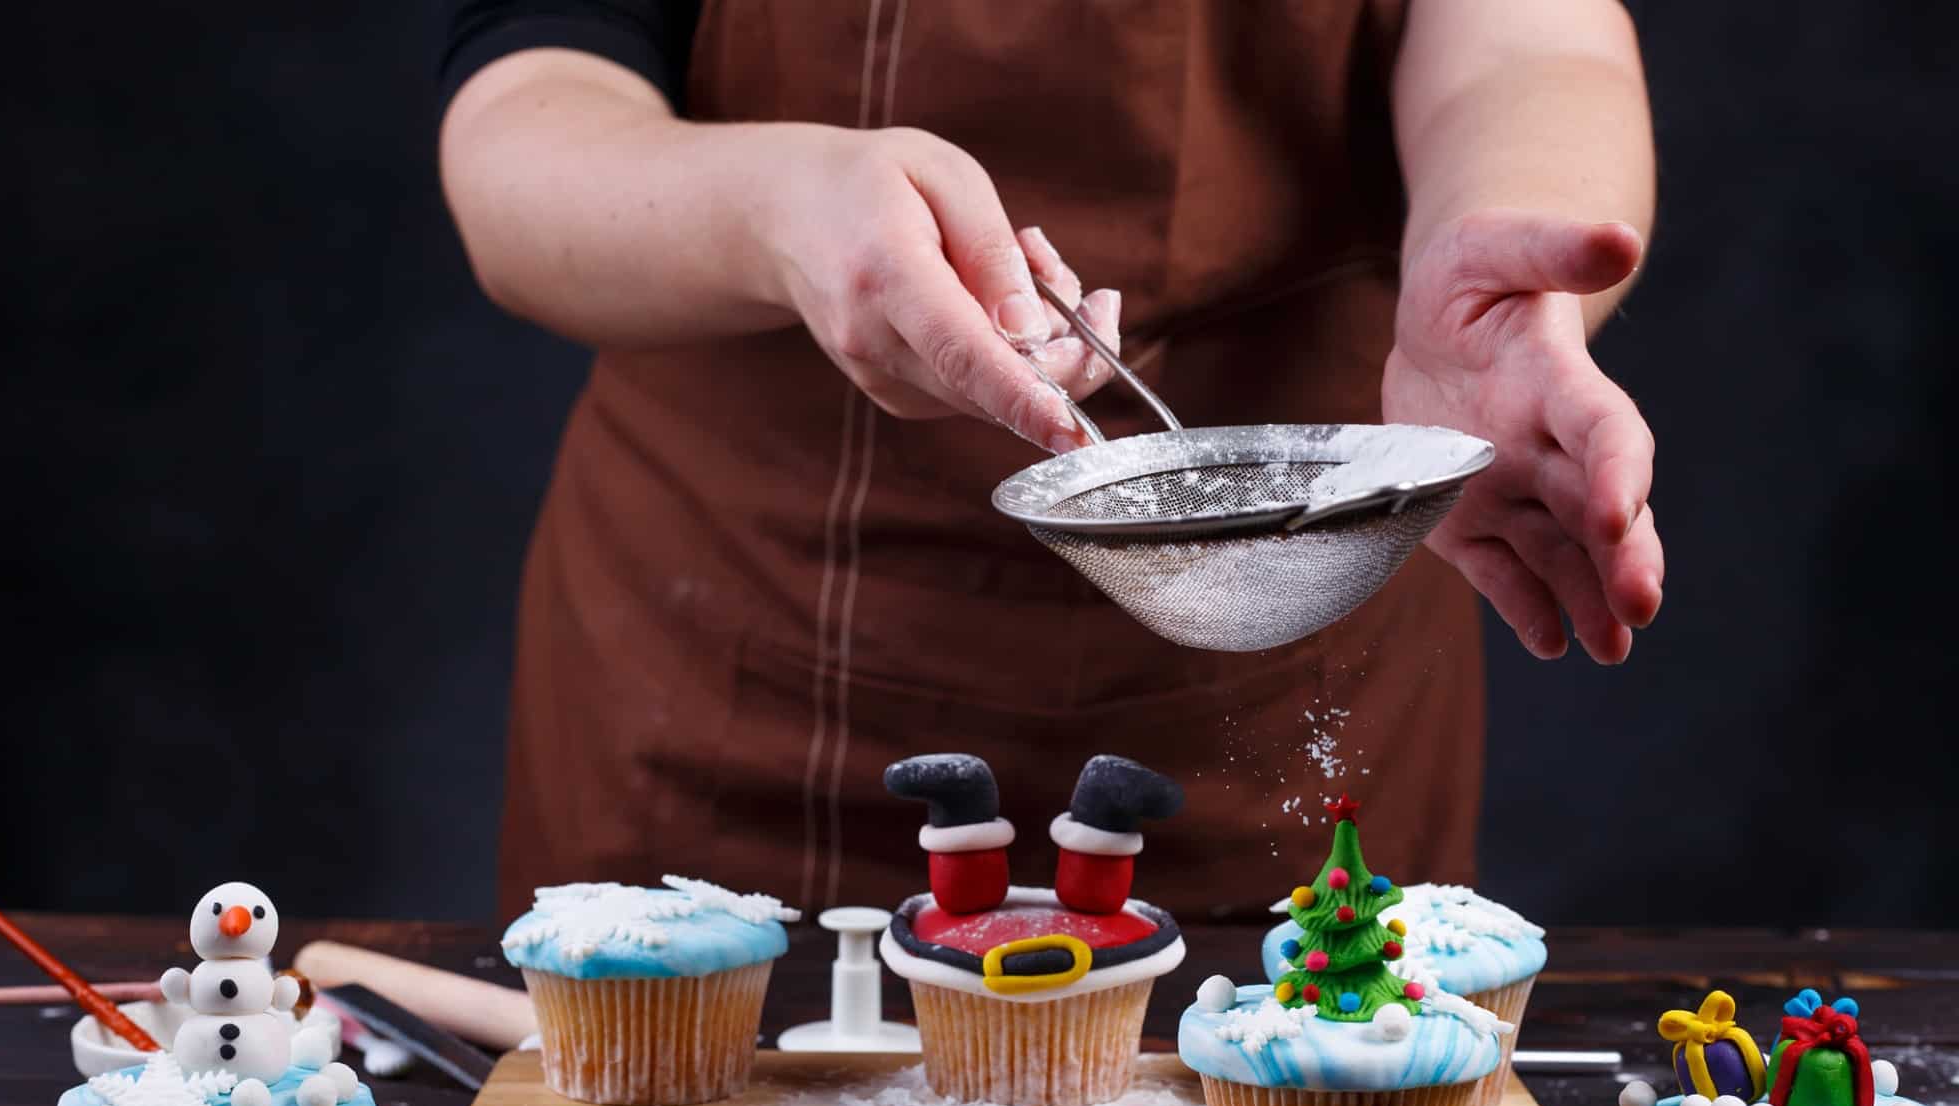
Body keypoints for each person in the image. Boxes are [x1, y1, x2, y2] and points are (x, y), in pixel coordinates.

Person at [438, 0, 1663, 923]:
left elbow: (1523, 44)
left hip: (1274, 693)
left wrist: (1498, 249)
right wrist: (773, 207)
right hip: (734, 661)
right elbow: (528, 114)